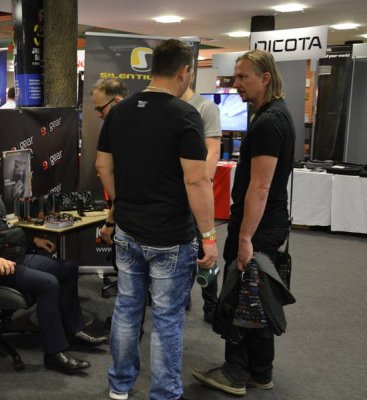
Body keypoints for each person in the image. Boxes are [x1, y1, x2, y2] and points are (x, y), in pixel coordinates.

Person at [95, 39, 218, 400]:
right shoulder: (185, 115)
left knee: (127, 308)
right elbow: (197, 180)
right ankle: (164, 394)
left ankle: (119, 386)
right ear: (184, 71)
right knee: (166, 319)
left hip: (128, 230)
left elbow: (103, 166)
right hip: (170, 237)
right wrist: (209, 237)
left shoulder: (119, 112)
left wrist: (121, 203)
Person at [0, 134, 108, 374]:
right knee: (49, 283)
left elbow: (1, 228)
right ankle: (54, 353)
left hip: (11, 257)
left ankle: (72, 330)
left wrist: (33, 239)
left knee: (67, 269)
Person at [192, 49, 296, 396]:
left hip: (258, 227)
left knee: (241, 298)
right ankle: (260, 372)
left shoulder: (268, 122)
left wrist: (246, 238)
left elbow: (260, 187)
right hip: (269, 222)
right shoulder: (275, 114)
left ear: (265, 78)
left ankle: (235, 373)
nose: (235, 84)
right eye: (235, 76)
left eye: (242, 77)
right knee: (259, 298)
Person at [180, 76, 222, 322]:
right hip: (173, 194)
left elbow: (213, 150)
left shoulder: (205, 107)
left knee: (206, 248)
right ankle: (182, 296)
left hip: (195, 191)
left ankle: (211, 305)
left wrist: (202, 185)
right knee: (180, 249)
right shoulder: (167, 107)